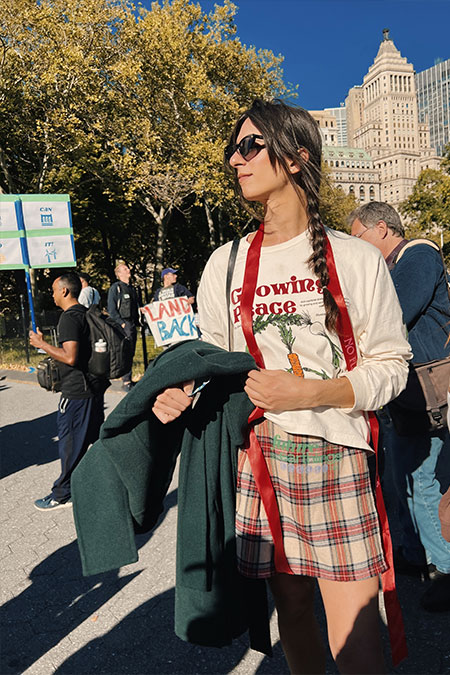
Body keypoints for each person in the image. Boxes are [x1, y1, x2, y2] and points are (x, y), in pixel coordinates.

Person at [152, 99, 411, 673]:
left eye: (250, 146)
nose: (235, 160)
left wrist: (311, 393)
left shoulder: (354, 258)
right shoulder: (225, 262)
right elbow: (213, 361)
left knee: (354, 624)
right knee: (290, 605)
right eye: (232, 149)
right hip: (257, 456)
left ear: (296, 158)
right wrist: (184, 394)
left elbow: (392, 365)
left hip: (335, 453)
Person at [348, 201, 450, 613]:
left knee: (422, 479)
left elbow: (394, 315)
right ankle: (413, 554)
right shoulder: (390, 266)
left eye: (359, 238)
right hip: (405, 393)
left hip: (428, 392)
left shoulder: (420, 254)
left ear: (383, 229)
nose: (356, 247)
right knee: (397, 476)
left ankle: (444, 568)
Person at [29, 272, 108, 511]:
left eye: (54, 290)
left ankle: (62, 494)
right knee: (88, 441)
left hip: (77, 393)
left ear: (64, 291)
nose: (52, 294)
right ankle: (90, 487)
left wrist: (41, 344)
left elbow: (70, 357)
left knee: (70, 444)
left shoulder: (69, 318)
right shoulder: (85, 313)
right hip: (93, 388)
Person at [107, 262, 140, 391]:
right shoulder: (116, 288)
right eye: (125, 269)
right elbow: (112, 309)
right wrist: (121, 323)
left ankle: (129, 379)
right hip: (123, 324)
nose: (128, 270)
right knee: (124, 352)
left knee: (130, 352)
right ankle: (126, 381)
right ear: (119, 274)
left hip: (131, 324)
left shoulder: (132, 288)